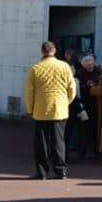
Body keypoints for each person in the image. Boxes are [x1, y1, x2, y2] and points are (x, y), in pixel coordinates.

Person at [25, 42, 76, 178]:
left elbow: (29, 92)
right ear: (54, 51)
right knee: (59, 142)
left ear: (42, 52)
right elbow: (72, 88)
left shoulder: (36, 69)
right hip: (59, 110)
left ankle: (41, 172)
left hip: (41, 111)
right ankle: (61, 171)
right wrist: (66, 102)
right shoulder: (64, 66)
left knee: (41, 143)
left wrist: (30, 109)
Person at [76, 54, 101, 160]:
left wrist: (95, 86)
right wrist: (86, 85)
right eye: (88, 64)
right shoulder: (80, 73)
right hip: (85, 104)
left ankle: (96, 151)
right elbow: (78, 88)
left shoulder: (98, 71)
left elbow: (101, 84)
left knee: (95, 128)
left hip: (95, 104)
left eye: (92, 64)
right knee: (83, 129)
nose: (91, 66)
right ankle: (83, 151)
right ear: (84, 65)